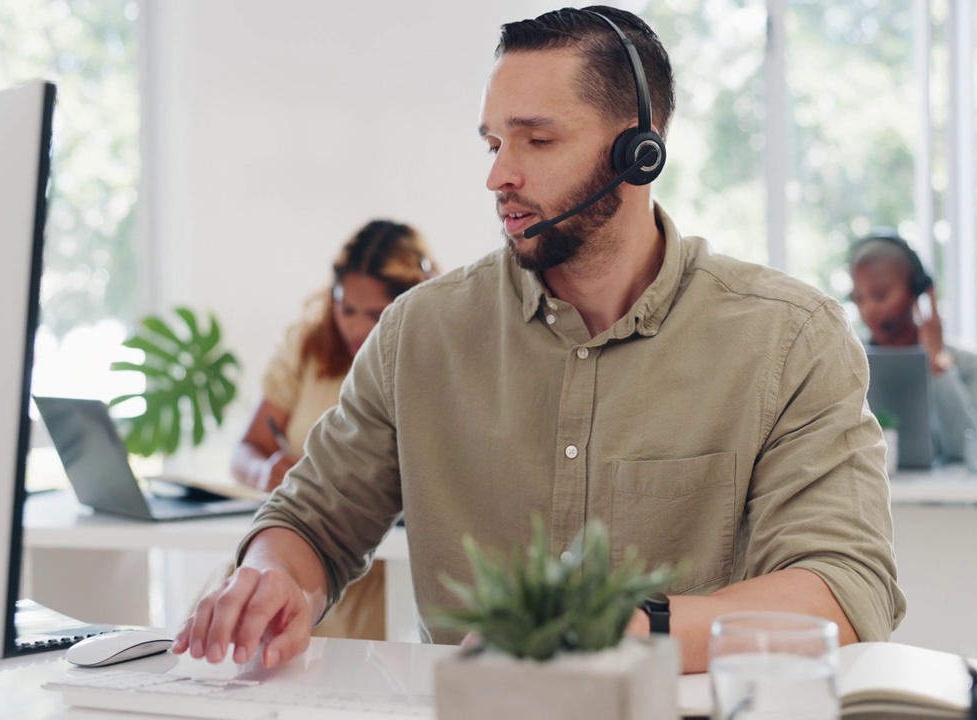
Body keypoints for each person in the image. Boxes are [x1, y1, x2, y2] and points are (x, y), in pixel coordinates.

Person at [176, 6, 905, 675]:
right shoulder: (420, 334)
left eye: (537, 139)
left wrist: (621, 628)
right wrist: (274, 577)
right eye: (494, 142)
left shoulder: (789, 338)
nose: (499, 175)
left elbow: (840, 591)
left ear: (639, 152)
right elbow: (311, 520)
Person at [227, 218, 436, 641]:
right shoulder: (307, 345)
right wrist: (263, 470)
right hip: (299, 543)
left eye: (376, 314)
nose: (358, 328)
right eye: (347, 309)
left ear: (410, 302)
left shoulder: (433, 350)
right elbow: (248, 447)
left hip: (367, 569)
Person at [848, 230, 977, 461]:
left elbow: (967, 449)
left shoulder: (966, 363)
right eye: (859, 298)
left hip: (941, 496)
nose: (868, 309)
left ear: (917, 291)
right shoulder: (846, 360)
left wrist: (937, 362)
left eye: (880, 295)